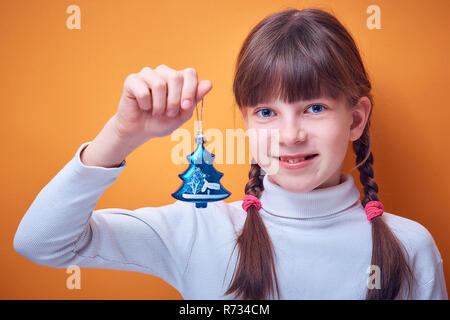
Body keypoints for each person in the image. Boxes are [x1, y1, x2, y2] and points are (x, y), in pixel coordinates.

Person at [13, 8, 447, 300]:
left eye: (314, 107)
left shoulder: (410, 249)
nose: (290, 135)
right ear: (246, 123)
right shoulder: (196, 232)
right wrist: (121, 135)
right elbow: (41, 243)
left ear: (355, 120)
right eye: (266, 112)